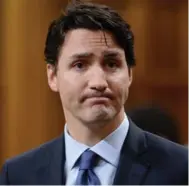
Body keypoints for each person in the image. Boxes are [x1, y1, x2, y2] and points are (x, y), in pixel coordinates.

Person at [0, 1, 188, 185]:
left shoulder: (181, 168)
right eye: (80, 65)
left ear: (129, 73)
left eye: (112, 64)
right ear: (53, 76)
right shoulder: (18, 175)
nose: (99, 83)